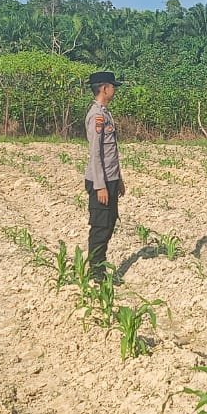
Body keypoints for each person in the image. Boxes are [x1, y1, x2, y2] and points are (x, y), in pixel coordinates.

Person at [83, 70, 125, 284]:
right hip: (100, 181)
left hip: (110, 179)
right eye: (112, 86)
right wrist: (100, 186)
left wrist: (118, 180)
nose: (114, 90)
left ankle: (99, 266)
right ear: (104, 88)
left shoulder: (106, 113)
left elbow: (111, 152)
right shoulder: (97, 115)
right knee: (100, 226)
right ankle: (96, 272)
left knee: (109, 223)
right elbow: (95, 153)